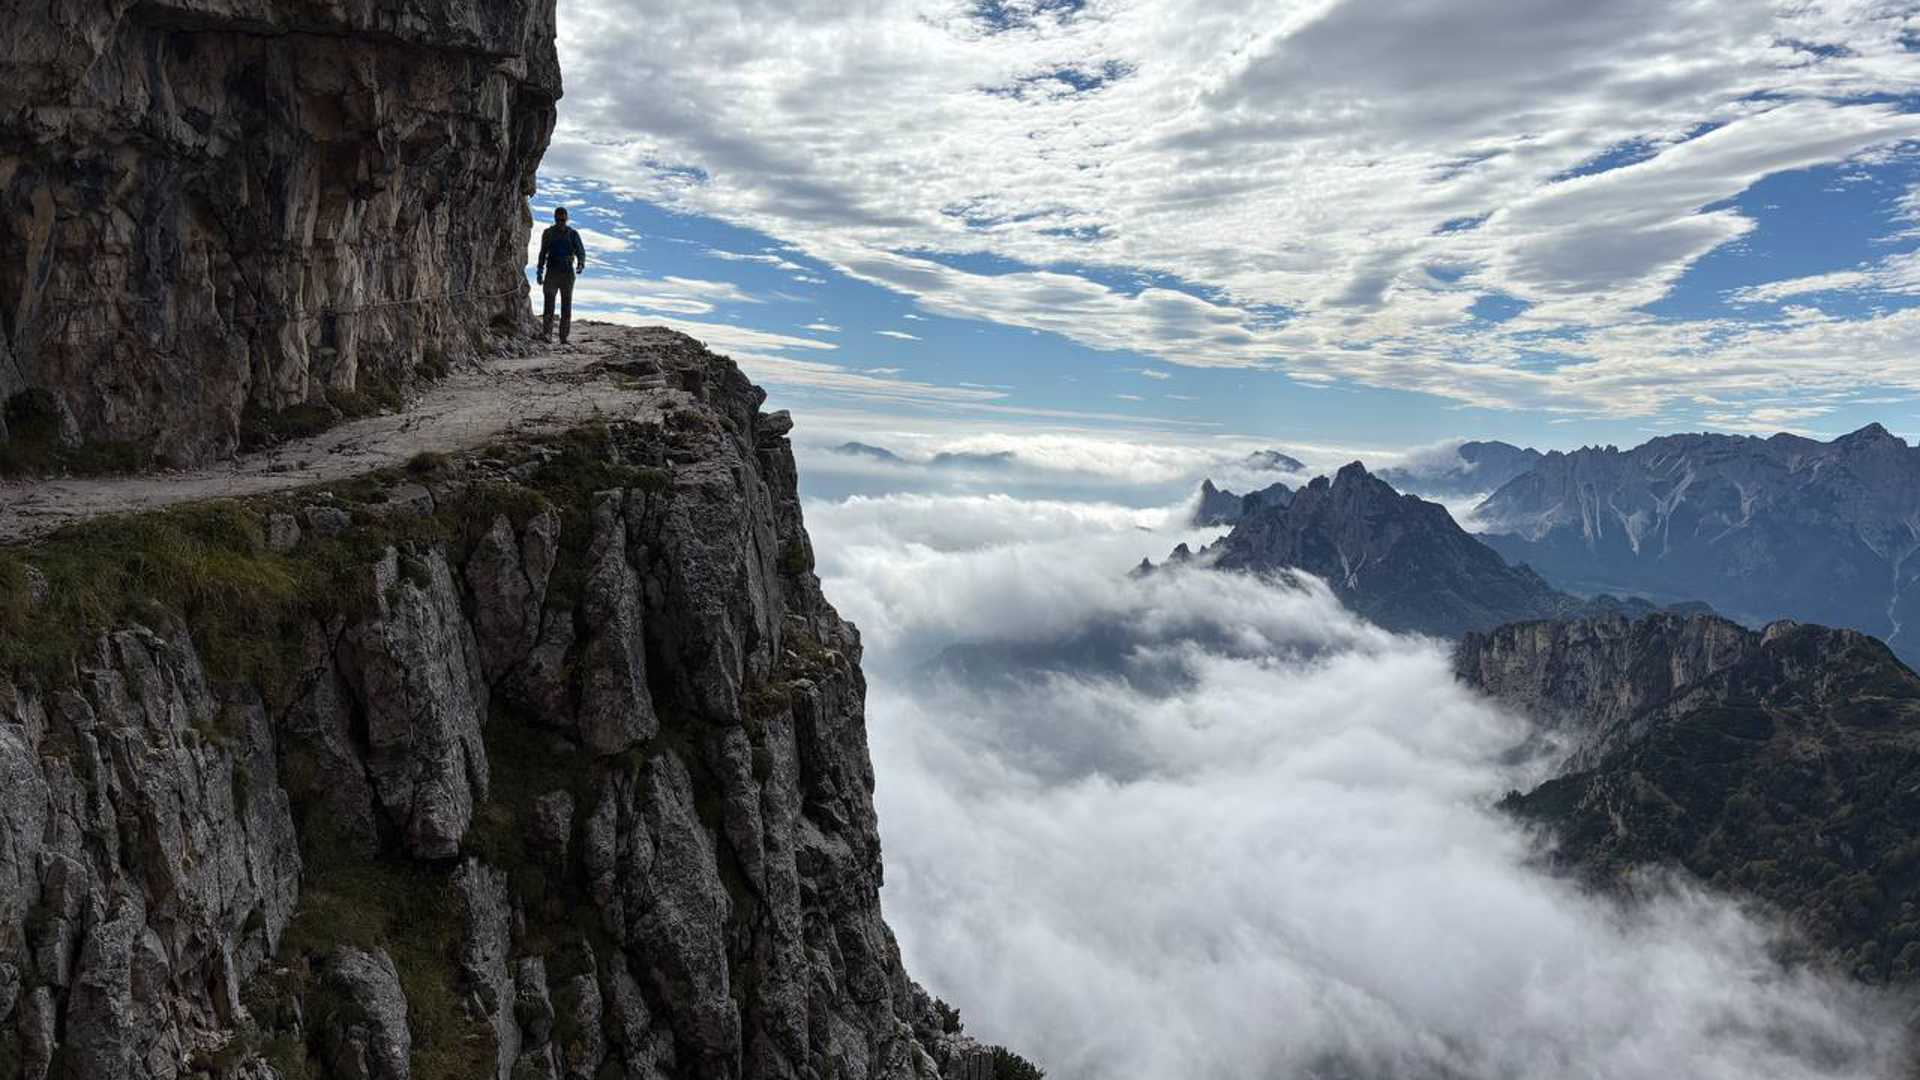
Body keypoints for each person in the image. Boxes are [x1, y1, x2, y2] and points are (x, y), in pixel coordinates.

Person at [534, 207, 587, 343]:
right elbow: (542, 253)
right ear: (555, 218)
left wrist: (580, 264)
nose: (561, 222)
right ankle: (547, 334)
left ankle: (564, 337)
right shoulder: (548, 233)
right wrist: (539, 271)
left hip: (567, 273)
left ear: (567, 219)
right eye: (558, 219)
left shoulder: (573, 234)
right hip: (552, 271)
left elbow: (580, 251)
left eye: (563, 219)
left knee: (566, 305)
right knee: (549, 304)